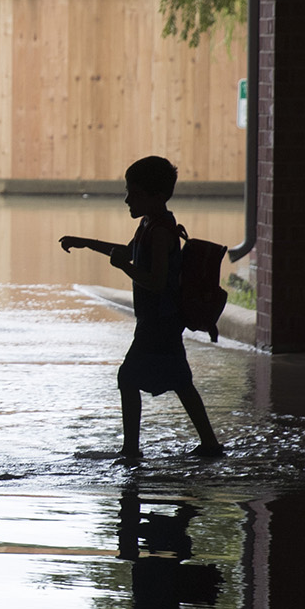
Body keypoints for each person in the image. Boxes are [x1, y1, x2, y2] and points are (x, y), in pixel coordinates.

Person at [60, 155, 224, 462]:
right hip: (161, 320)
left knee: (129, 378)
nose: (126, 199)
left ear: (156, 197)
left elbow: (158, 281)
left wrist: (126, 269)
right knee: (180, 381)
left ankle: (132, 450)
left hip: (159, 322)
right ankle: (210, 444)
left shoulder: (161, 231)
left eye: (134, 193)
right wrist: (84, 242)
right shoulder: (151, 224)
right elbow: (127, 252)